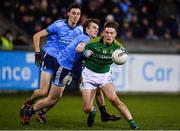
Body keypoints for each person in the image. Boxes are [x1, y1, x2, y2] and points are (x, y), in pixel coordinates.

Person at [20, 16, 120, 124]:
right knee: (53, 98)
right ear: (86, 29)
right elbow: (79, 48)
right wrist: (85, 52)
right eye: (93, 27)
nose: (96, 29)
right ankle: (29, 112)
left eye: (97, 28)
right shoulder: (85, 38)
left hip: (74, 68)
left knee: (97, 86)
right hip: (64, 68)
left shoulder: (90, 39)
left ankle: (103, 113)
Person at [19, 3, 83, 124]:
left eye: (78, 14)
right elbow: (37, 36)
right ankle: (28, 102)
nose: (75, 16)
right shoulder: (58, 25)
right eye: (73, 13)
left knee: (57, 96)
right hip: (50, 58)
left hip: (63, 64)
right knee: (43, 91)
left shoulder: (80, 31)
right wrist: (37, 54)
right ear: (68, 14)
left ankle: (41, 114)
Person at [80, 21, 139, 129]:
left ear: (115, 34)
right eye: (106, 32)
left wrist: (122, 59)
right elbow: (80, 51)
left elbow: (123, 56)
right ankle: (93, 111)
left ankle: (132, 122)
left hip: (104, 76)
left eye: (111, 33)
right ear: (103, 32)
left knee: (114, 99)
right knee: (86, 109)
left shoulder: (118, 48)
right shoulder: (92, 43)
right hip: (89, 76)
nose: (108, 35)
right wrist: (84, 53)